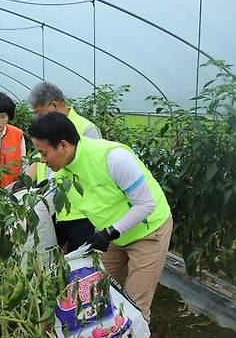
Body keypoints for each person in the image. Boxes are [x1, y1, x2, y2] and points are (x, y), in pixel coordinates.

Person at [28, 112, 173, 323]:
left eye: (44, 153)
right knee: (93, 294)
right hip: (113, 235)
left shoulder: (113, 159)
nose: (42, 160)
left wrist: (108, 233)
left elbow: (146, 204)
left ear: (63, 145)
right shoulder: (62, 172)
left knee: (134, 306)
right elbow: (46, 202)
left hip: (148, 232)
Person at [25, 82, 102, 252]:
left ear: (53, 105)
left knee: (80, 262)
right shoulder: (46, 130)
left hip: (80, 212)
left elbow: (94, 171)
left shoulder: (86, 128)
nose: (38, 117)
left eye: (39, 112)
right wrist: (24, 183)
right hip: (52, 206)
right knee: (46, 256)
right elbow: (40, 158)